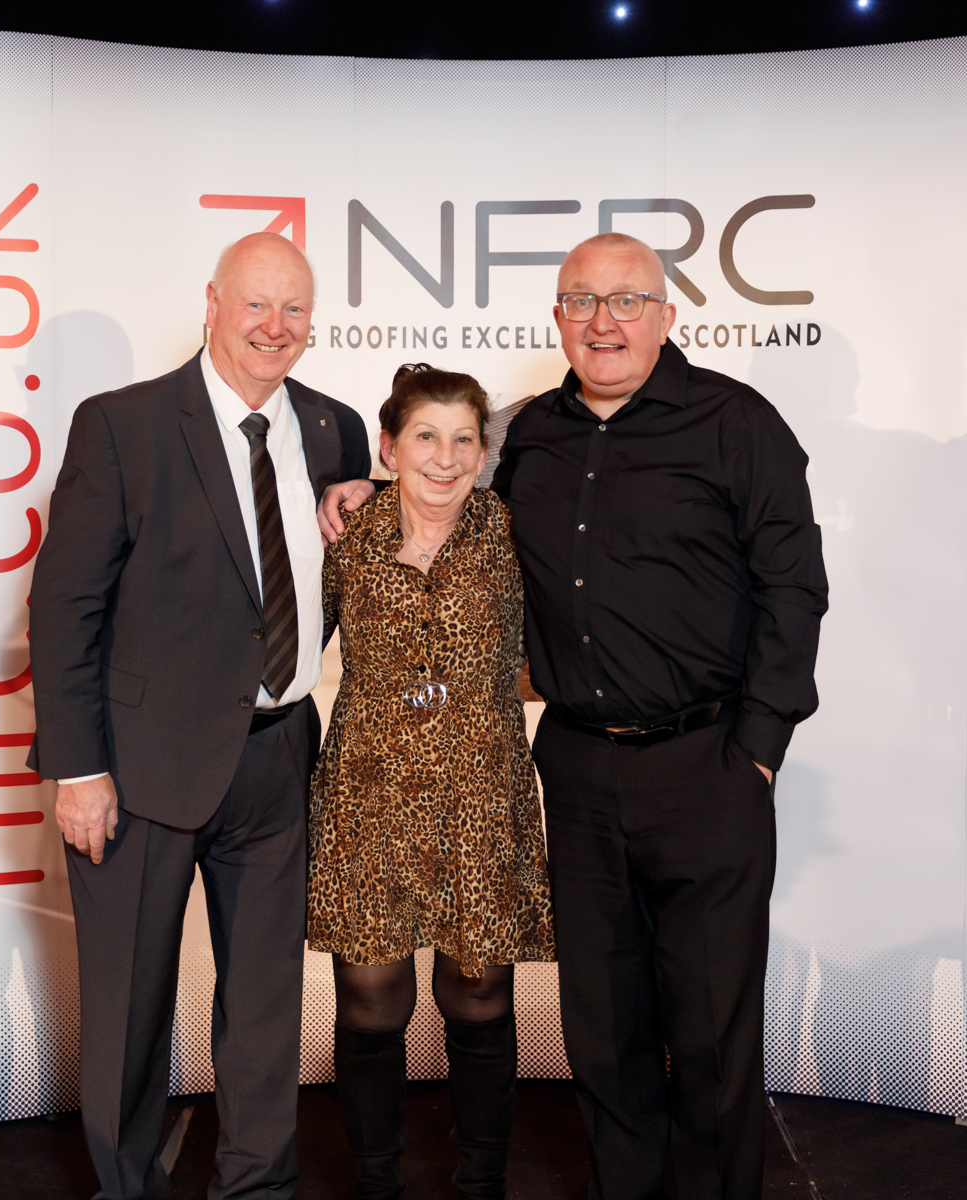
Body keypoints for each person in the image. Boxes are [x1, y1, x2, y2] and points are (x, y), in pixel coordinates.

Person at [319, 233, 829, 1200]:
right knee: (603, 1029)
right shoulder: (531, 434)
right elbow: (445, 488)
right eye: (582, 302)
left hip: (708, 765)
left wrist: (758, 751)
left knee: (711, 1033)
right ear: (558, 318)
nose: (604, 322)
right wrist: (364, 487)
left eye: (627, 300)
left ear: (666, 315)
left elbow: (794, 587)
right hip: (580, 769)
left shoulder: (736, 422)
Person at [28, 232, 371, 1200]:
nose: (274, 327)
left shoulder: (335, 429)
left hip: (279, 757)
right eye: (256, 304)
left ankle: (256, 1186)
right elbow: (65, 606)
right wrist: (79, 769)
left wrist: (373, 494)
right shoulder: (123, 425)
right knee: (130, 1006)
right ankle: (127, 1185)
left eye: (294, 309)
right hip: (139, 769)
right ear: (213, 304)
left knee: (264, 1006)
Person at [308, 364, 554, 1200]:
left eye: (462, 440)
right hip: (369, 795)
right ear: (389, 447)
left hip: (481, 794)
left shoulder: (513, 532)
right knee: (371, 1000)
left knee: (478, 994)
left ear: (485, 453)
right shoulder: (347, 532)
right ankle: (376, 1182)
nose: (444, 458)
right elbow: (288, 647)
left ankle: (481, 1181)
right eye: (425, 437)